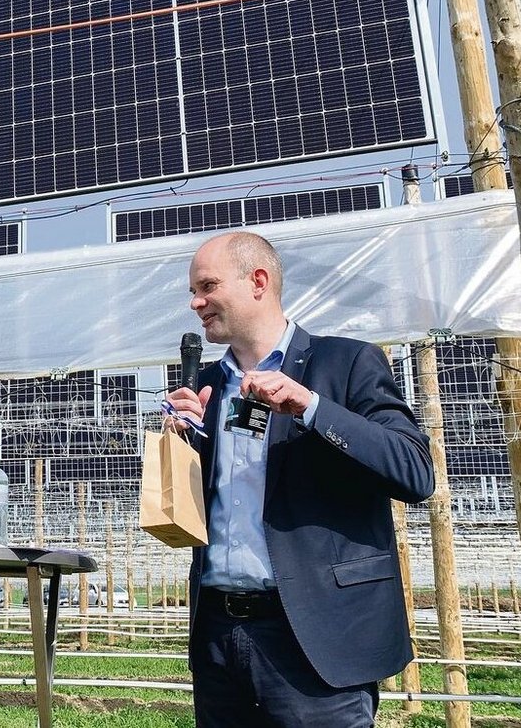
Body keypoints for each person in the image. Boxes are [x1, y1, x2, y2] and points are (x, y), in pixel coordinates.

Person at [163, 231, 434, 727]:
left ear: (258, 282)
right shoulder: (203, 384)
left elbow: (415, 473)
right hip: (219, 632)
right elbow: (203, 508)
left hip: (315, 634)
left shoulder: (346, 363)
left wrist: (310, 407)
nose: (195, 302)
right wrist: (178, 443)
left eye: (206, 286)